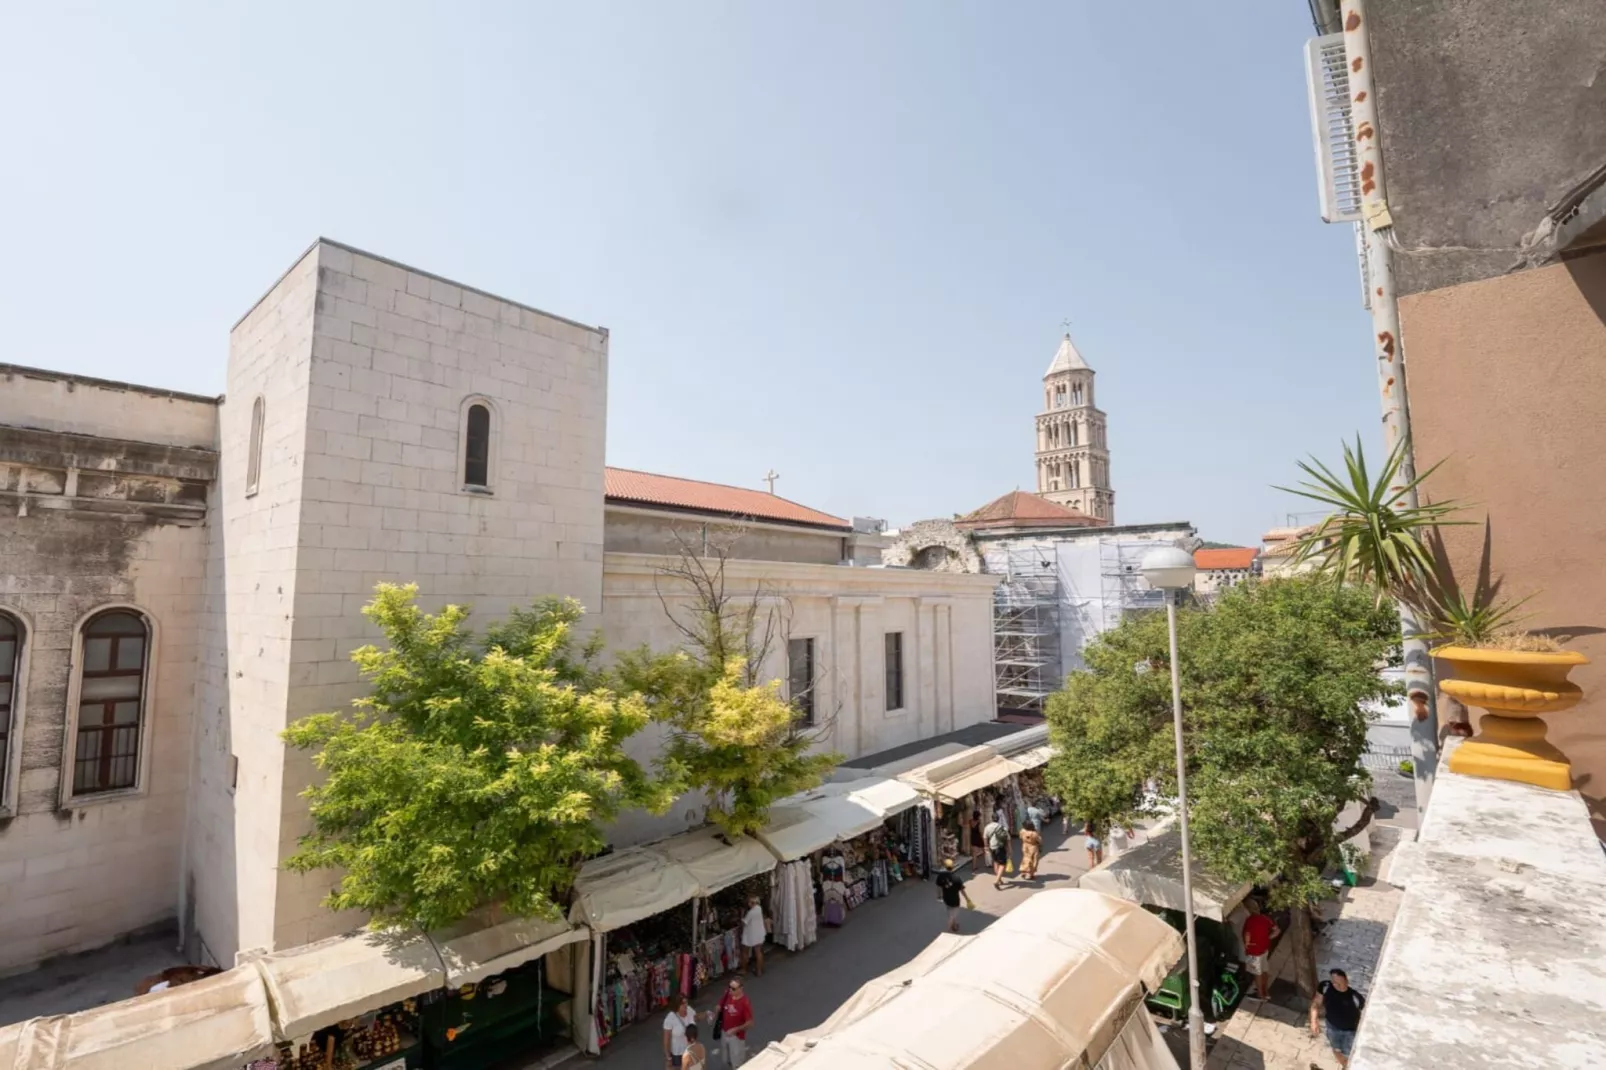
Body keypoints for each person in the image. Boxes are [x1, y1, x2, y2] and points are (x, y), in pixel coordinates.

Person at [1310, 967, 1366, 1067]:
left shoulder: (1356, 998)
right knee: (1336, 1049)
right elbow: (1316, 1003)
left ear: (1346, 981)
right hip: (1332, 1027)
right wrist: (1314, 1021)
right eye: (1334, 982)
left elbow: (1364, 1017)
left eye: (1339, 983)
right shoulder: (1325, 986)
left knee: (1350, 1056)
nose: (1336, 985)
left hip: (1350, 1032)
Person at [1240, 899, 1280, 1000]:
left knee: (1257, 972)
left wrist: (1247, 945)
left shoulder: (1250, 920)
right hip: (1264, 949)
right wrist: (1268, 937)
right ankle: (1265, 991)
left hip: (1254, 951)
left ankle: (1260, 995)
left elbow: (1247, 934)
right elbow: (1277, 930)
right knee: (1264, 970)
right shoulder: (1265, 918)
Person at [716, 977, 755, 1068]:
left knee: (737, 1062)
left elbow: (750, 1023)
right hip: (724, 1032)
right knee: (726, 1057)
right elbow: (720, 1004)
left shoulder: (745, 1002)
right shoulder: (728, 994)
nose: (730, 990)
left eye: (733, 989)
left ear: (741, 989)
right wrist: (717, 1008)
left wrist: (735, 1030)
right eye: (729, 987)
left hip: (736, 1037)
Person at [934, 857, 974, 932]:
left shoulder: (940, 876)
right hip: (955, 901)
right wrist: (967, 899)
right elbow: (962, 891)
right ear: (952, 867)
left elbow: (938, 887)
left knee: (950, 912)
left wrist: (939, 896)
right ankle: (947, 931)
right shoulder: (957, 878)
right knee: (952, 916)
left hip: (946, 899)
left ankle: (954, 925)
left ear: (945, 867)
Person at [663, 995, 699, 1070]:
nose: (686, 1005)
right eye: (683, 1003)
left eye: (686, 1002)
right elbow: (666, 1040)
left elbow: (696, 1017)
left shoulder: (689, 1010)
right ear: (677, 1005)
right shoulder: (670, 1018)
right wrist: (668, 1058)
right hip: (677, 1054)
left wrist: (706, 1014)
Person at [740, 894, 766, 976]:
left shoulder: (750, 913)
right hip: (759, 934)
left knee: (745, 952)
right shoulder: (759, 908)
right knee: (758, 952)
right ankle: (759, 970)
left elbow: (744, 923)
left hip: (750, 935)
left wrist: (741, 915)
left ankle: (744, 970)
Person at [983, 817, 1010, 889]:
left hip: (992, 847)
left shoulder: (987, 827)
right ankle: (997, 881)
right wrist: (1009, 849)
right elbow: (1008, 839)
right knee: (1002, 864)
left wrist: (986, 846)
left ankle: (999, 879)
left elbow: (985, 837)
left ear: (991, 819)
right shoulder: (1002, 827)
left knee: (995, 862)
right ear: (998, 819)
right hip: (1000, 847)